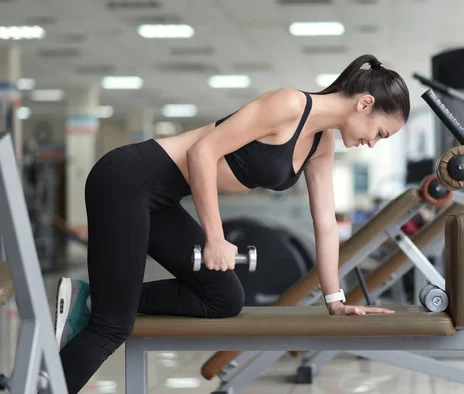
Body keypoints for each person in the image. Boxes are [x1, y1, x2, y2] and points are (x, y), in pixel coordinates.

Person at [54, 53, 411, 393]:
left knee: (223, 298)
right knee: (112, 326)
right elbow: (202, 153)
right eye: (380, 133)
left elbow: (326, 225)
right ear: (365, 104)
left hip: (159, 198)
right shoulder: (287, 104)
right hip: (128, 178)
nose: (373, 144)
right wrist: (215, 237)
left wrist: (335, 300)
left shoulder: (322, 143)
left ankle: (90, 301)